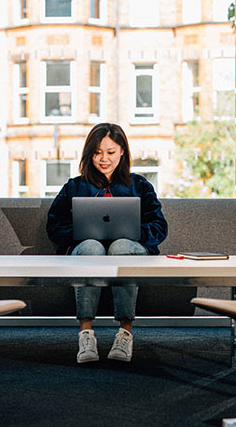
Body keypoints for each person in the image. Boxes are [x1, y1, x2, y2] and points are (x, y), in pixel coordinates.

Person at [46, 122, 167, 363]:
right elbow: (54, 226)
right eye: (97, 152)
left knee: (120, 247)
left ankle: (125, 334)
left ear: (122, 152)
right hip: (87, 251)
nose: (104, 159)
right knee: (92, 247)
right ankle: (86, 335)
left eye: (111, 152)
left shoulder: (139, 185)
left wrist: (132, 231)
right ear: (89, 154)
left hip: (130, 249)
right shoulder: (74, 186)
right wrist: (81, 232)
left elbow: (160, 227)